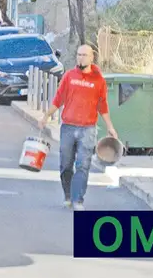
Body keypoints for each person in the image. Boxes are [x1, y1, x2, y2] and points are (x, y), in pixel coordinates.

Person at [37, 43, 117, 211]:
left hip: (88, 129)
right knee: (66, 165)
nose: (80, 58)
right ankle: (67, 194)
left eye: (84, 55)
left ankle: (78, 198)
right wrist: (46, 116)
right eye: (79, 55)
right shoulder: (69, 76)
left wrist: (110, 126)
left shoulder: (98, 81)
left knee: (83, 165)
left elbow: (103, 106)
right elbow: (58, 99)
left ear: (91, 58)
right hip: (68, 127)